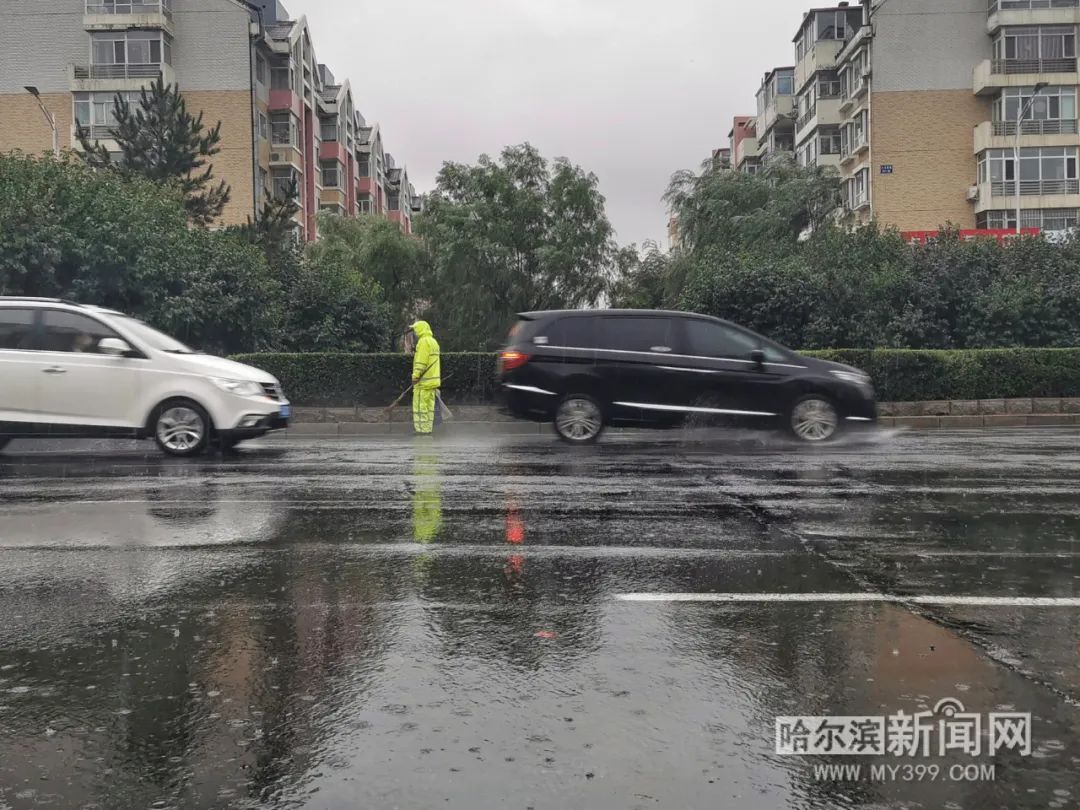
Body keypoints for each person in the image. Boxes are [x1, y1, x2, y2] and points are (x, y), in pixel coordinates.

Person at [408, 320, 441, 435]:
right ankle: (427, 429)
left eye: (415, 329)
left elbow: (421, 363)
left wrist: (415, 376)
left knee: (420, 408)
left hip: (423, 382)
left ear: (420, 329)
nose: (415, 333)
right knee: (429, 408)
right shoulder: (433, 342)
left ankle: (421, 430)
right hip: (432, 382)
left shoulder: (423, 342)